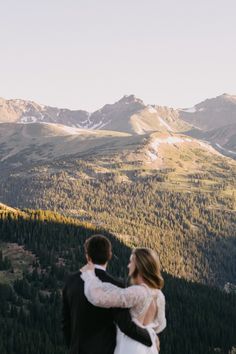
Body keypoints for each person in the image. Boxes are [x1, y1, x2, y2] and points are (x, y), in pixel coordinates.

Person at [62, 234, 153, 354]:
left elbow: (65, 323)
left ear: (87, 256)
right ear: (109, 255)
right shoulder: (116, 285)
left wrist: (72, 347)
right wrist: (150, 338)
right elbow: (125, 325)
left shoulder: (71, 281)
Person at [81, 247, 166, 354]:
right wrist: (152, 336)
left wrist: (89, 276)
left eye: (131, 261)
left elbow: (98, 298)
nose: (128, 265)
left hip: (130, 347)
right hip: (149, 348)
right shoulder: (159, 295)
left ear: (139, 266)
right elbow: (159, 326)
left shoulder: (138, 292)